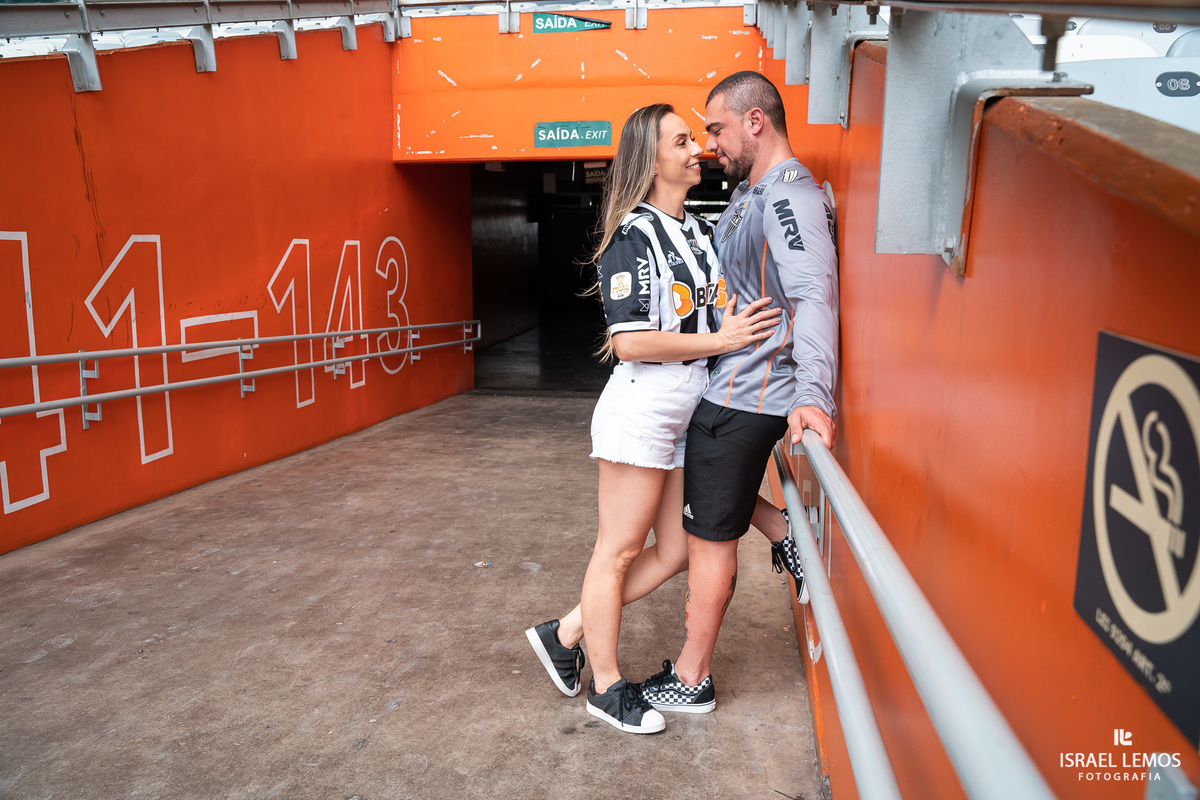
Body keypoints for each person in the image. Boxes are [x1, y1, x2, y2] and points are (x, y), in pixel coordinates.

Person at [524, 103, 788, 734]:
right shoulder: (631, 238)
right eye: (681, 140)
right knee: (616, 553)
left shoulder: (694, 232)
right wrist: (723, 342)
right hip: (642, 409)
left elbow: (722, 311)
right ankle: (607, 686)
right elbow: (631, 342)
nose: (696, 146)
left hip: (683, 409)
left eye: (694, 137)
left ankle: (564, 633)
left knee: (672, 551)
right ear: (652, 160)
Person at [637, 71, 839, 715]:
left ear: (757, 122)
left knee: (708, 539)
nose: (708, 143)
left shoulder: (788, 198)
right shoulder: (754, 193)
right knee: (700, 491)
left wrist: (815, 395)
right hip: (726, 385)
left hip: (749, 396)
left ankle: (692, 678)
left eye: (717, 128)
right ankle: (786, 531)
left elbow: (812, 297)